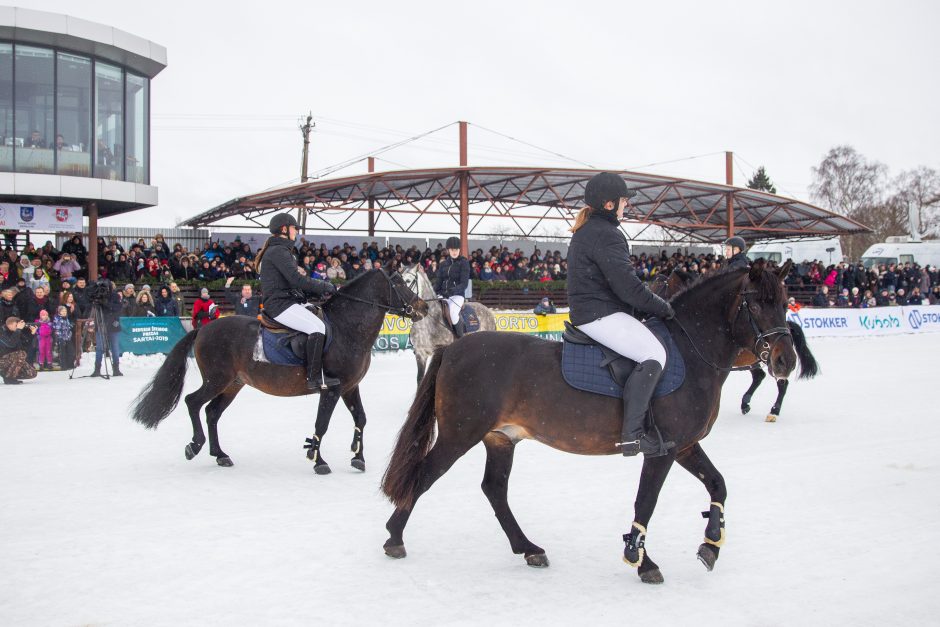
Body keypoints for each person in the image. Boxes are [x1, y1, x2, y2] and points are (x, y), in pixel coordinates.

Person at [567, 172, 675, 457]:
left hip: (594, 310)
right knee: (655, 354)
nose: (627, 205)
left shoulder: (589, 229)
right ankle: (633, 435)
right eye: (624, 201)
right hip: (599, 314)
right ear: (610, 204)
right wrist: (662, 307)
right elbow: (627, 286)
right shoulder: (607, 234)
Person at [257, 213, 338, 390]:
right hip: (280, 305)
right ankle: (313, 377)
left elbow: (289, 283)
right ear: (284, 229)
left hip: (286, 300)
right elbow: (296, 279)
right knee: (318, 327)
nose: (296, 232)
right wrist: (325, 286)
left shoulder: (281, 250)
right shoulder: (278, 251)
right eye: (294, 228)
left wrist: (308, 296)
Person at [435, 236, 471, 337]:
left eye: (456, 249)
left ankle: (460, 339)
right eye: (452, 250)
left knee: (453, 314)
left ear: (459, 250)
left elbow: (464, 284)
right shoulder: (443, 264)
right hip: (443, 295)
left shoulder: (464, 263)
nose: (454, 252)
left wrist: (451, 291)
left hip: (457, 296)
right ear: (448, 250)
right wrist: (433, 292)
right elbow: (438, 282)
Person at [91, 280, 123, 377]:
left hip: (113, 324)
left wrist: (106, 304)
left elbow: (118, 309)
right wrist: (96, 302)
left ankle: (116, 369)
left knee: (114, 347)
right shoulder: (98, 296)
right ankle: (97, 369)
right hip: (100, 323)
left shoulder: (115, 296)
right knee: (100, 347)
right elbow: (91, 306)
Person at [0, 316, 38, 383]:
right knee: (21, 354)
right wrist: (18, 330)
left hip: (11, 360)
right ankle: (9, 378)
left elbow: (25, 346)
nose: (18, 326)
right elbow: (10, 344)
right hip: (2, 360)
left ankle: (7, 374)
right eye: (16, 325)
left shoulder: (16, 332)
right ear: (10, 324)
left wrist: (32, 334)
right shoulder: (2, 332)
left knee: (32, 373)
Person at [52, 305, 74, 369]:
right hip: (61, 338)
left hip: (68, 337)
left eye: (65, 311)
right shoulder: (57, 319)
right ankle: (64, 366)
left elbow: (68, 327)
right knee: (63, 353)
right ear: (59, 312)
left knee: (70, 351)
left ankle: (70, 365)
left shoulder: (66, 318)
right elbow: (57, 329)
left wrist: (71, 326)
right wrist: (60, 338)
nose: (64, 312)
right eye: (63, 311)